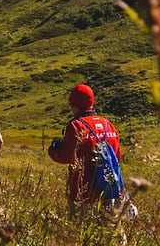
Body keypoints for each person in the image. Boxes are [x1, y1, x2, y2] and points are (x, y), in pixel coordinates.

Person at [47, 84, 128, 217]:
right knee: (111, 231)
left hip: (83, 194)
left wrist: (53, 149)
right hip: (111, 192)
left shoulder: (75, 126)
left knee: (79, 231)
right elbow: (117, 157)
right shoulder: (108, 125)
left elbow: (65, 156)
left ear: (73, 104)